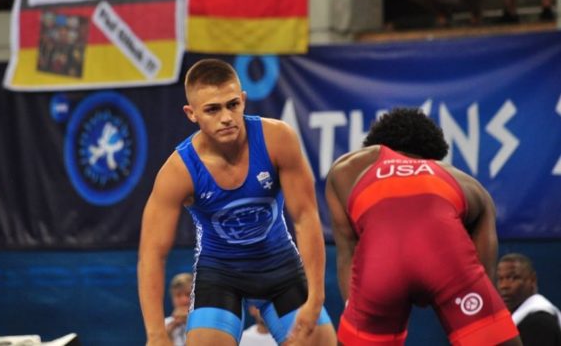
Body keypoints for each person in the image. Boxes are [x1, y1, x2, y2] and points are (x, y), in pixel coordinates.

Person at [138, 59, 336, 346]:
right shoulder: (179, 171)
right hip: (220, 274)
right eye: (212, 109)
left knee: (321, 342)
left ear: (243, 100)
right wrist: (156, 334)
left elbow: (306, 217)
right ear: (191, 113)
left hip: (280, 266)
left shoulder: (277, 139)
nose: (227, 117)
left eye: (233, 104)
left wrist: (315, 299)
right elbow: (152, 254)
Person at [325, 107, 522, 345]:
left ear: (376, 145)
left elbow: (348, 252)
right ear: (432, 157)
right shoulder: (466, 183)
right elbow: (484, 272)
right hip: (447, 263)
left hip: (379, 269)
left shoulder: (347, 168)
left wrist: (358, 314)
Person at [497, 253, 561, 345]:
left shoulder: (541, 322)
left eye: (514, 278)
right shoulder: (513, 318)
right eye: (500, 279)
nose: (504, 285)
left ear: (532, 280)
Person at [164, 273, 193, 346]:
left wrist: (189, 321)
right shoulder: (164, 324)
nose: (184, 300)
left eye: (188, 294)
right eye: (178, 295)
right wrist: (167, 333)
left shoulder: (205, 323)